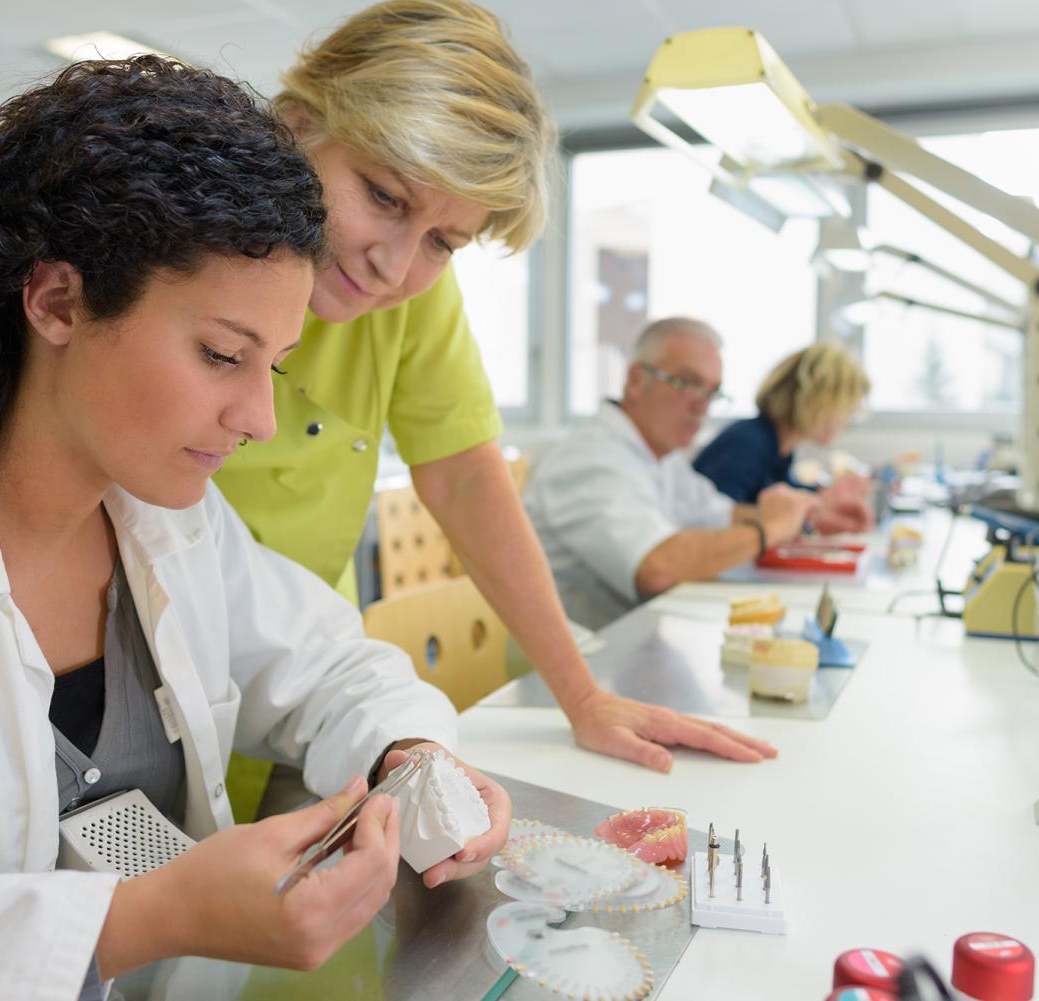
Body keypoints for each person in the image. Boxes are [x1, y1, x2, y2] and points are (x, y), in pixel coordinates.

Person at [0, 58, 509, 1001]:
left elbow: (333, 665)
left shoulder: (165, 519)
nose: (259, 419)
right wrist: (143, 918)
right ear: (56, 301)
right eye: (221, 354)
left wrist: (406, 753)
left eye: (275, 367)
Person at [213, 0, 776, 774]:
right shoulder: (183, 249)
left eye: (443, 241)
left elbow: (466, 476)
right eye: (382, 195)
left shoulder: (407, 296)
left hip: (299, 664)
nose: (395, 265)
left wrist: (581, 695)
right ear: (298, 122)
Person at [523, 318, 819, 630]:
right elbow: (657, 569)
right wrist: (769, 529)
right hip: (584, 661)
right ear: (636, 380)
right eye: (686, 383)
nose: (701, 406)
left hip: (634, 645)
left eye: (711, 392)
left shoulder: (661, 457)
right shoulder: (591, 459)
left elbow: (718, 514)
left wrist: (800, 515)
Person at [693, 342, 874, 535]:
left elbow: (785, 493)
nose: (849, 420)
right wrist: (812, 512)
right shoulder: (748, 442)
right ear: (817, 402)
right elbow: (718, 517)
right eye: (848, 407)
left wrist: (823, 497)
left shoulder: (779, 446)